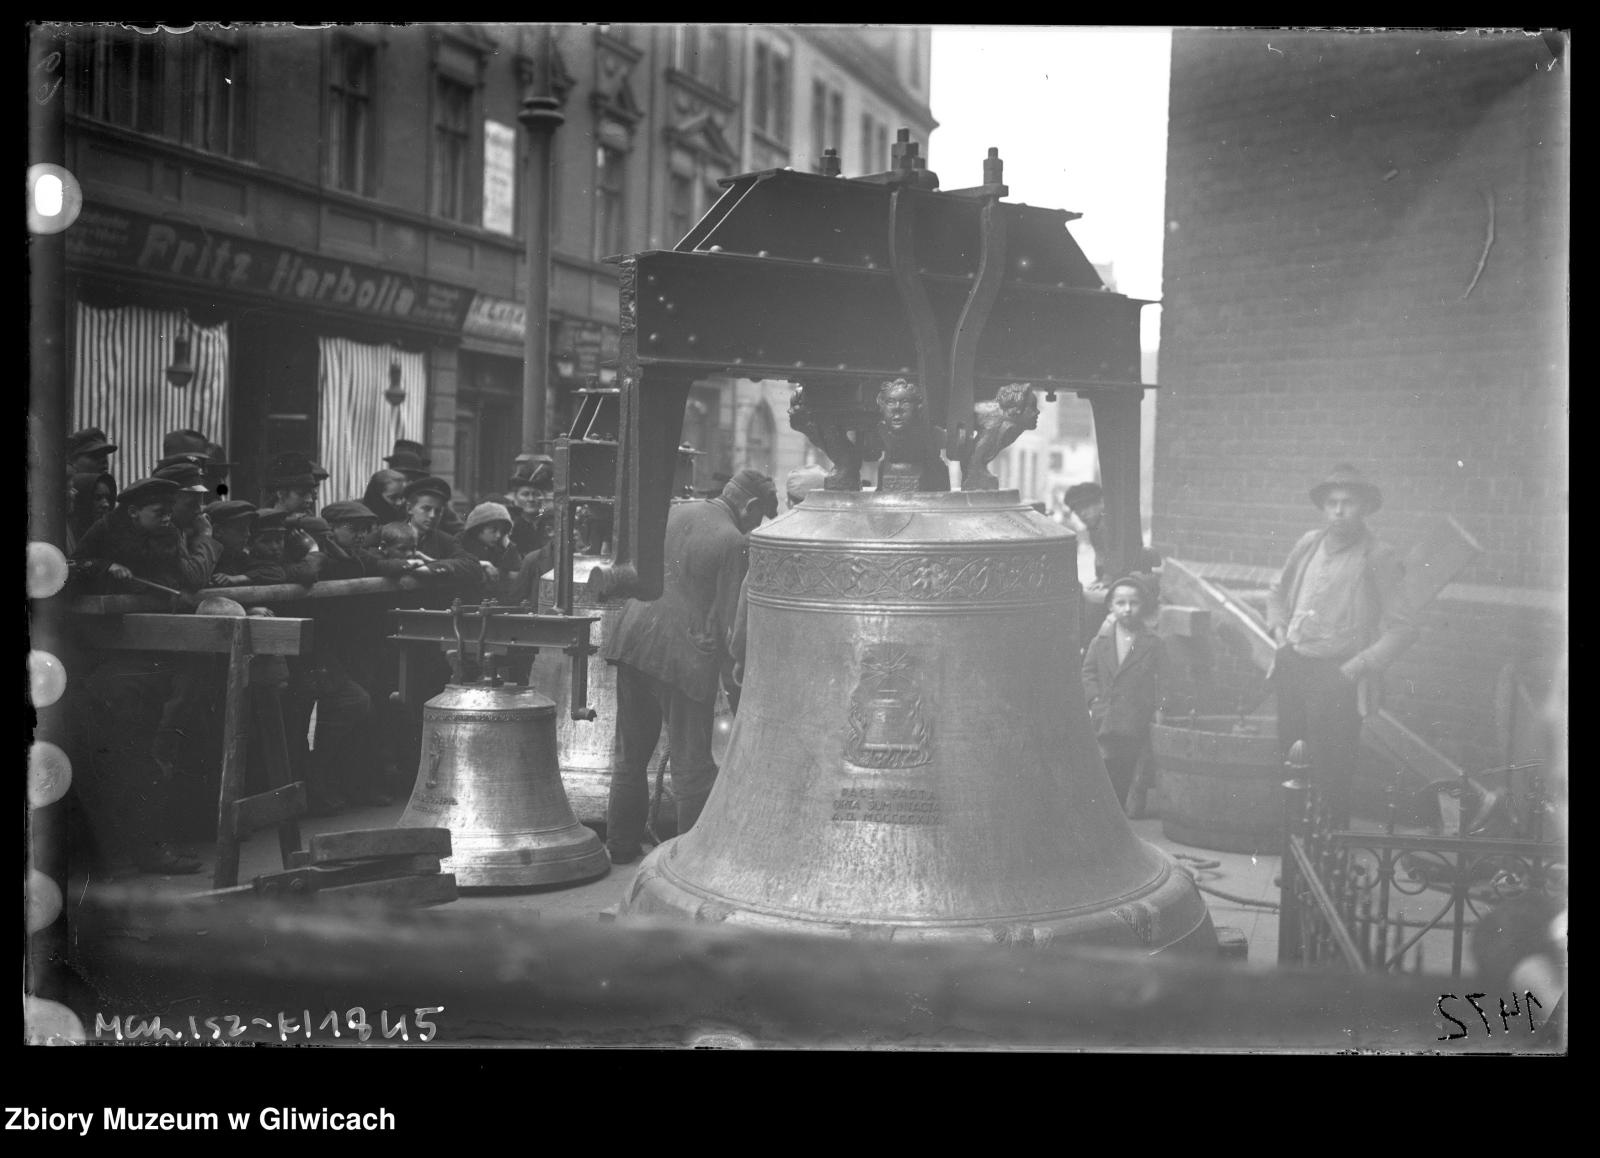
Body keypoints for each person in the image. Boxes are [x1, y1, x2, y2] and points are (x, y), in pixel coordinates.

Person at [602, 469, 777, 863]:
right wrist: (738, 687)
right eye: (758, 517)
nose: (755, 527)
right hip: (683, 658)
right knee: (691, 763)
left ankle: (620, 846)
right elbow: (733, 624)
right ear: (749, 506)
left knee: (629, 756)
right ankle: (693, 858)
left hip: (633, 639)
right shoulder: (733, 541)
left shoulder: (674, 511)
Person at [1265, 465, 1418, 829]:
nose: (1338, 511)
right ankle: (1292, 846)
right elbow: (1276, 593)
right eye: (1331, 503)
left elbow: (1405, 628)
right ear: (1322, 508)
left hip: (1338, 674)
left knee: (1332, 768)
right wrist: (1280, 636)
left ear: (1364, 507)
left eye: (1347, 503)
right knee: (1290, 757)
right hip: (1294, 665)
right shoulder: (1308, 544)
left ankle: (1329, 854)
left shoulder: (1378, 555)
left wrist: (1356, 667)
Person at [1080, 573, 1168, 812]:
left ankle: (1126, 809)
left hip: (1136, 718)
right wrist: (1094, 699)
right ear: (1110, 606)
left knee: (1130, 768)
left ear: (1143, 606)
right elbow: (1088, 673)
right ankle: (1107, 812)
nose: (1127, 609)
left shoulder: (1153, 643)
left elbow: (1165, 680)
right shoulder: (1100, 642)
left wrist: (1159, 708)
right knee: (1106, 768)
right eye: (1121, 603)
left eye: (1134, 603)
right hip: (1106, 717)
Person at [70, 476, 220, 593]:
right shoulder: (107, 527)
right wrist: (108, 566)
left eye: (169, 513)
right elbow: (75, 564)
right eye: (160, 513)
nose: (167, 519)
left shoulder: (170, 534)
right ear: (133, 512)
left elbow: (186, 577)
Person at [401, 476, 483, 585]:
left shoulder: (445, 540)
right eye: (426, 509)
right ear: (409, 509)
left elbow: (473, 566)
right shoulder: (387, 533)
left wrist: (433, 566)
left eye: (438, 511)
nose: (432, 515)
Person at [67, 471, 116, 554]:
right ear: (82, 500)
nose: (106, 504)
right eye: (98, 498)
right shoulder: (66, 537)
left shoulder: (110, 536)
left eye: (108, 498)